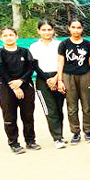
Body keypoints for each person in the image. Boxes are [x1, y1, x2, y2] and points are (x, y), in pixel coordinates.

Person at [0, 27, 38, 154]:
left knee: (28, 116)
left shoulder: (25, 52)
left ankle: (30, 141)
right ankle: (14, 143)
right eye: (5, 35)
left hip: (25, 86)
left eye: (11, 34)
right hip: (6, 88)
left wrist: (21, 81)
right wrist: (14, 86)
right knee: (9, 117)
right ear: (1, 38)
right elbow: (1, 71)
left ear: (16, 36)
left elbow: (31, 68)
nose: (9, 37)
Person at [57, 19, 90, 145]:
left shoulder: (87, 44)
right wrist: (59, 79)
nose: (76, 30)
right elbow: (60, 62)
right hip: (68, 76)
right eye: (73, 27)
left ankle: (88, 131)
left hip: (84, 75)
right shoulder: (64, 44)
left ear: (82, 29)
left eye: (78, 27)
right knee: (72, 107)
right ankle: (75, 132)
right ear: (69, 28)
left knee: (87, 105)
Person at [29, 20, 66, 149]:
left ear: (53, 30)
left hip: (59, 77)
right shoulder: (34, 46)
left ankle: (60, 135)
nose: (46, 32)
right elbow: (34, 65)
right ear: (39, 31)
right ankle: (57, 138)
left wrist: (56, 78)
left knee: (59, 108)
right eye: (43, 30)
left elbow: (62, 62)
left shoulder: (59, 44)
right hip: (42, 80)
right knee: (50, 110)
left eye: (49, 29)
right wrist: (47, 79)